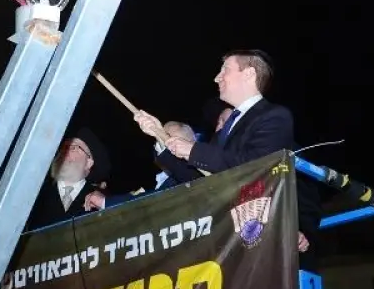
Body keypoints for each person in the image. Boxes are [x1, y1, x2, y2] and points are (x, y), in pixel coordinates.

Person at [132, 50, 321, 260]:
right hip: (228, 244)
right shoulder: (226, 130)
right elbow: (200, 178)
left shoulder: (274, 116)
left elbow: (259, 167)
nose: (216, 77)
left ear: (248, 74)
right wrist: (159, 136)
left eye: (225, 70)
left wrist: (193, 150)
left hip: (261, 240)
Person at [84, 121, 200, 211]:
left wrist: (106, 203)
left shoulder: (195, 177)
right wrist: (105, 201)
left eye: (170, 139)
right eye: (159, 140)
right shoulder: (163, 182)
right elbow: (140, 202)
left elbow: (149, 205)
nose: (164, 143)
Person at [26, 127, 111, 231]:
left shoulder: (102, 202)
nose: (65, 150)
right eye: (64, 146)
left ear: (89, 163)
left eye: (74, 147)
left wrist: (104, 205)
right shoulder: (34, 195)